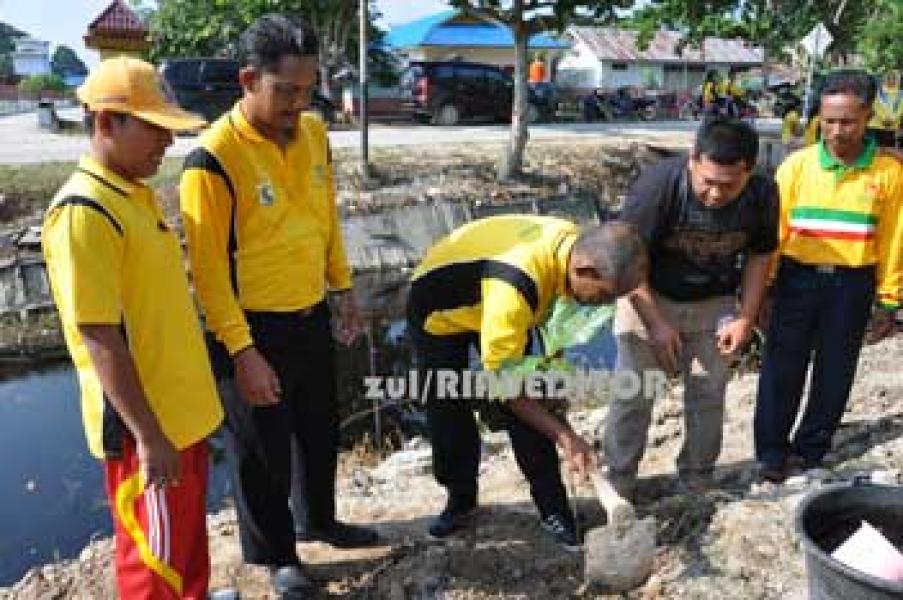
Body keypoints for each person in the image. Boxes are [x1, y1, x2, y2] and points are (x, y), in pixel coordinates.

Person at [179, 14, 376, 599]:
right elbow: (208, 274)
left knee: (319, 428)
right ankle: (276, 556)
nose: (298, 103)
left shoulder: (314, 134)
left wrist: (342, 290)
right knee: (261, 449)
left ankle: (320, 519)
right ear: (248, 79)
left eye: (307, 89)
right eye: (285, 91)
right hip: (250, 327)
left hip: (309, 311)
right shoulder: (211, 159)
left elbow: (325, 218)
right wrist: (242, 352)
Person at [41, 57, 231, 599]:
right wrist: (148, 436)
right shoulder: (85, 212)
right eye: (154, 129)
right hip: (147, 430)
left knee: (187, 555)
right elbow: (100, 336)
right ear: (106, 123)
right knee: (154, 568)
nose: (167, 143)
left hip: (180, 418)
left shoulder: (134, 194)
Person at [407, 216, 648, 550]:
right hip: (440, 309)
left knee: (536, 400)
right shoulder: (516, 289)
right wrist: (567, 438)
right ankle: (460, 499)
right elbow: (508, 390)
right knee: (448, 405)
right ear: (584, 269)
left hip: (495, 297)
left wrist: (551, 376)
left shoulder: (575, 246)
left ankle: (554, 508)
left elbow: (557, 319)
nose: (606, 305)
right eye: (605, 296)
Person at [602, 118, 779, 498]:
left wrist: (746, 317)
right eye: (707, 182)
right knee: (635, 392)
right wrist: (656, 323)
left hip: (713, 301)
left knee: (708, 391)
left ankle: (697, 478)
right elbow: (623, 261)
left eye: (728, 185)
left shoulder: (763, 194)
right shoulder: (659, 187)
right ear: (692, 162)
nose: (715, 194)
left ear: (749, 171)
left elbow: (760, 257)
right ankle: (618, 482)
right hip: (647, 292)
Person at [754, 70, 903, 483]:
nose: (837, 131)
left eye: (848, 121)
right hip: (795, 279)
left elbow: (894, 240)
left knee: (835, 370)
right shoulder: (796, 167)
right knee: (782, 367)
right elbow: (774, 234)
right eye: (829, 120)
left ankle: (811, 451)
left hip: (852, 284)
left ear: (868, 117)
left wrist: (890, 299)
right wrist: (763, 289)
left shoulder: (889, 174)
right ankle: (770, 453)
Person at [868, 70, 902, 148]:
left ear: (897, 80)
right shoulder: (878, 92)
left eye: (894, 79)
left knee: (888, 150)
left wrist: (893, 119)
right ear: (885, 79)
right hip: (876, 125)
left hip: (891, 126)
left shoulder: (900, 94)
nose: (891, 81)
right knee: (874, 149)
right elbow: (875, 106)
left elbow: (900, 109)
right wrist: (883, 118)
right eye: (889, 78)